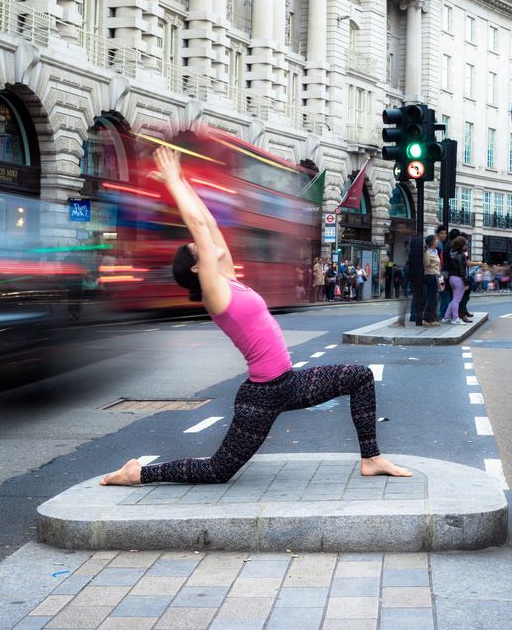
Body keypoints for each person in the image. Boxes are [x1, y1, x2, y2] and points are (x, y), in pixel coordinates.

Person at [101, 146, 412, 487]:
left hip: (288, 384)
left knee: (360, 377)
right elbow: (198, 228)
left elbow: (207, 223)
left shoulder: (228, 280)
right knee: (218, 470)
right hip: (262, 395)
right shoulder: (215, 295)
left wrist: (184, 183)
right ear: (197, 266)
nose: (205, 243)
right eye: (197, 249)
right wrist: (174, 182)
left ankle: (371, 458)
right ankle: (137, 473)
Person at [443, 235, 468, 324]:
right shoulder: (460, 256)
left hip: (452, 278)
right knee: (457, 300)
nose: (466, 246)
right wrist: (466, 283)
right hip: (458, 279)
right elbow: (462, 270)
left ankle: (446, 317)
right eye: (465, 244)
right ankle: (455, 318)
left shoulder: (451, 253)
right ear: (461, 245)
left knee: (454, 299)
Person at [422, 233, 441, 325]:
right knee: (431, 298)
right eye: (436, 239)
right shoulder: (428, 252)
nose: (438, 241)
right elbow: (426, 264)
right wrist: (424, 252)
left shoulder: (435, 251)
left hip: (435, 276)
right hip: (430, 275)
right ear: (432, 242)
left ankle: (432, 318)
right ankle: (427, 319)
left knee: (433, 298)